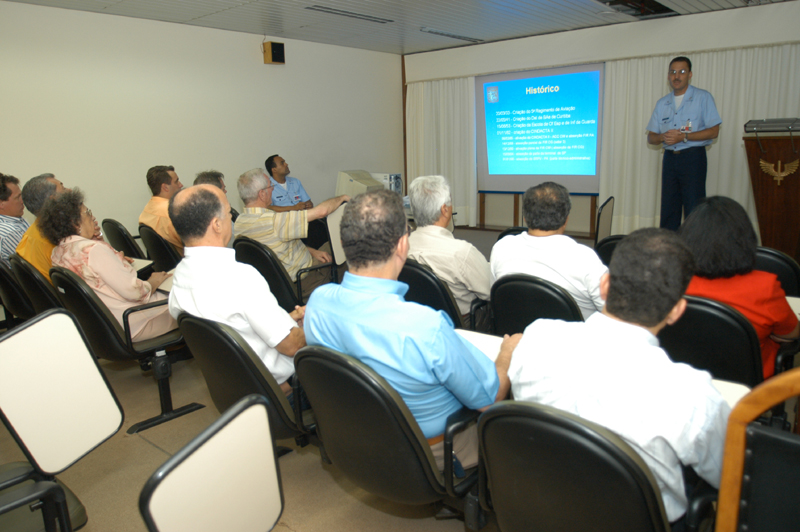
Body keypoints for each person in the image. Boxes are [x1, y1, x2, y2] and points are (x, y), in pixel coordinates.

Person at [509, 228, 730, 527]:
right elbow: (728, 472)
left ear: (604, 284)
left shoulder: (537, 336)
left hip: (541, 503)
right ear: (677, 311)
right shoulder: (692, 396)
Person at [305, 189, 519, 470]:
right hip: (434, 451)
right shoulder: (425, 327)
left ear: (344, 243)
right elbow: (489, 399)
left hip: (358, 436)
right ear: (403, 245)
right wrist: (507, 353)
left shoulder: (317, 304)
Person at [167, 184, 307, 403]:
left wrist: (286, 320)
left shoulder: (180, 278)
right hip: (286, 388)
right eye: (229, 211)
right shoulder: (240, 277)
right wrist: (315, 321)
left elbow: (235, 330)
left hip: (237, 389)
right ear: (216, 225)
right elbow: (292, 345)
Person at [679, 196, 799, 378]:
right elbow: (791, 334)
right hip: (747, 385)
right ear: (744, 239)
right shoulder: (764, 287)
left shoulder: (672, 280)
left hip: (687, 377)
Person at [39, 189, 175, 340]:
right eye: (88, 213)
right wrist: (154, 281)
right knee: (192, 302)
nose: (93, 217)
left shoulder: (58, 252)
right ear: (75, 222)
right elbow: (136, 293)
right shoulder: (94, 250)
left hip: (105, 326)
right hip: (136, 321)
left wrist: (113, 257)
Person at [490, 181, 607, 319]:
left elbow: (495, 296)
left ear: (525, 218)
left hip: (516, 338)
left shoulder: (502, 247)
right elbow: (617, 315)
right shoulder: (586, 258)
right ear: (566, 220)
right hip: (571, 340)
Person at [234, 168, 348, 299]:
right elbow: (321, 212)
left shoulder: (239, 223)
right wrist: (343, 197)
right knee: (345, 243)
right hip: (305, 280)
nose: (273, 189)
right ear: (262, 194)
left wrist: (312, 251)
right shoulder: (274, 221)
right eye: (271, 186)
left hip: (276, 285)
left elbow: (279, 245)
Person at [647, 56, 722, 231]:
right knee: (669, 210)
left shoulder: (703, 97)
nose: (677, 76)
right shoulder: (662, 103)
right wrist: (662, 137)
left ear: (690, 74)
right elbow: (651, 137)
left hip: (693, 158)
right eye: (673, 72)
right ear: (668, 76)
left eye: (682, 71)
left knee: (694, 209)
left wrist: (684, 137)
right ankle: (668, 252)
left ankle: (695, 253)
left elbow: (714, 131)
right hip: (670, 160)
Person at [407, 175, 491, 325]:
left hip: (417, 320)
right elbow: (490, 291)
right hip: (462, 325)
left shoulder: (399, 247)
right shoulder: (461, 252)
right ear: (445, 210)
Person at [265, 154, 328, 249]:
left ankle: (325, 256)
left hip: (302, 219)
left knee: (321, 226)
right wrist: (293, 208)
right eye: (282, 163)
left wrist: (308, 205)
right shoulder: (267, 186)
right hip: (284, 224)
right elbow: (268, 207)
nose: (286, 164)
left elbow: (308, 202)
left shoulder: (295, 182)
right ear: (274, 169)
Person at [16, 174, 67, 281]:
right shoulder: (59, 238)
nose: (70, 190)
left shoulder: (30, 234)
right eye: (63, 188)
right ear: (53, 200)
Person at [139, 165, 184, 256]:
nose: (181, 185)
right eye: (176, 181)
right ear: (165, 187)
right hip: (185, 264)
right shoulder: (175, 212)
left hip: (165, 265)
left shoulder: (147, 209)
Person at [0, 173, 30, 264]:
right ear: (1, 204)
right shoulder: (10, 232)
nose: (22, 201)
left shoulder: (16, 219)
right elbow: (34, 263)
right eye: (17, 198)